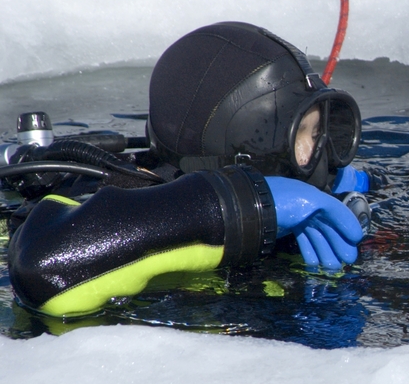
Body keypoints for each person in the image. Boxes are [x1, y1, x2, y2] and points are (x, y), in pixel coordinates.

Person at [6, 22, 371, 318]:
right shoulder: (103, 202)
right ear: (237, 155)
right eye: (302, 138)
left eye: (322, 133)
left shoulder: (322, 200)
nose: (323, 158)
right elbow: (44, 268)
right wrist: (246, 204)